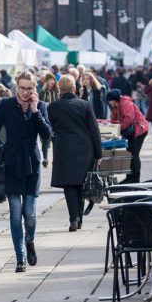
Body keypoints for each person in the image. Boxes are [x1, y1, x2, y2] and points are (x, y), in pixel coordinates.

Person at [0, 70, 52, 273]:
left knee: (29, 214)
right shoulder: (6, 105)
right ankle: (20, 257)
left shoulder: (40, 106)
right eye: (22, 88)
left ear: (35, 89)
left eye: (29, 88)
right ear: (16, 87)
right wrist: (2, 149)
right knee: (16, 213)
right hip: (12, 162)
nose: (25, 92)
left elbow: (47, 134)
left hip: (32, 162)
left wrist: (35, 112)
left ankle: (30, 241)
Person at [48, 76, 103, 232]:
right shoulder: (84, 105)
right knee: (81, 184)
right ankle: (79, 217)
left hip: (64, 150)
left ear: (60, 89)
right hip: (85, 149)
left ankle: (74, 218)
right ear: (74, 88)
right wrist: (99, 153)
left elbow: (49, 128)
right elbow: (94, 130)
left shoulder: (53, 107)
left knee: (69, 186)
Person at [107, 88, 149, 183]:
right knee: (130, 154)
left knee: (134, 154)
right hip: (132, 132)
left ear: (114, 99)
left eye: (110, 100)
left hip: (139, 131)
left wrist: (118, 128)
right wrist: (110, 125)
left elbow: (129, 119)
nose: (109, 103)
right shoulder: (115, 106)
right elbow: (113, 119)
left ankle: (135, 179)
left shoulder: (126, 103)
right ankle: (130, 177)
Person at [38, 73, 59, 168]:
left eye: (53, 80)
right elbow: (38, 105)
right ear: (46, 81)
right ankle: (45, 158)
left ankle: (55, 159)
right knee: (45, 140)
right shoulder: (42, 92)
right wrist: (44, 105)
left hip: (55, 118)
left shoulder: (57, 91)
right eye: (50, 80)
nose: (52, 81)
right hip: (45, 118)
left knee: (55, 139)